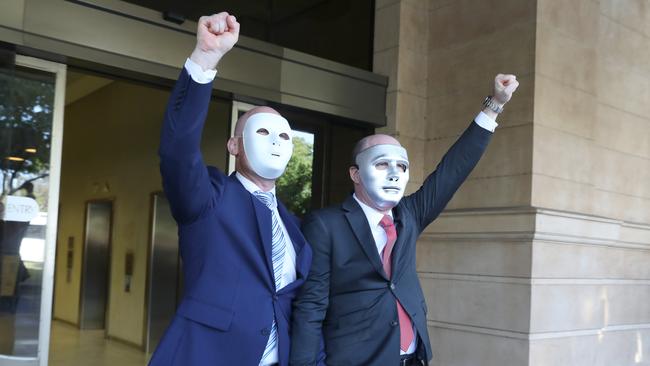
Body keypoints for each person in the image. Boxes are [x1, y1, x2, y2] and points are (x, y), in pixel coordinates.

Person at [290, 74, 519, 366]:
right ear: (355, 174)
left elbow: (452, 170)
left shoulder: (409, 214)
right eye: (382, 164)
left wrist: (495, 105)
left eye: (401, 165)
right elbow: (311, 306)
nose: (394, 173)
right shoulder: (325, 224)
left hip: (413, 359)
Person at [149, 12, 312, 366]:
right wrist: (205, 58)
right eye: (263, 132)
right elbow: (177, 150)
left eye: (284, 135)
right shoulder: (210, 198)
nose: (276, 142)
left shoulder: (294, 226)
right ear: (234, 146)